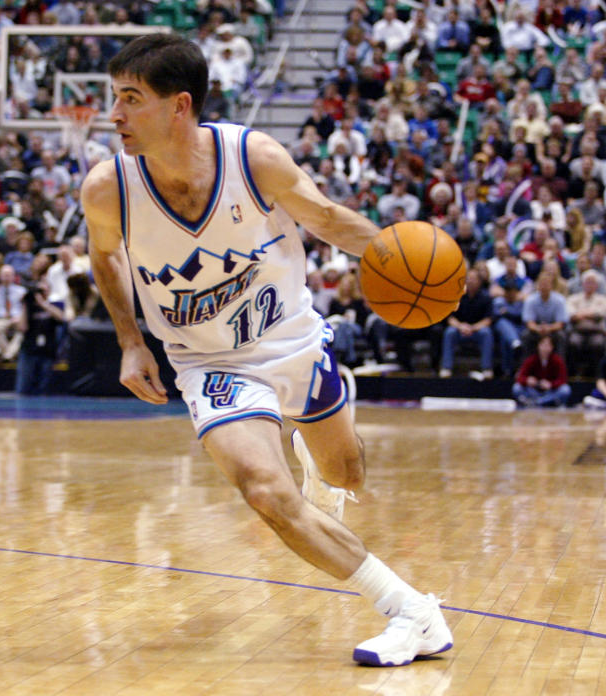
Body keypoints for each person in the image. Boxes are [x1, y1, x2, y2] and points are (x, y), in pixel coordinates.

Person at [83, 34, 452, 667]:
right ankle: (411, 611)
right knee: (265, 491)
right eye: (113, 97)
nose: (113, 115)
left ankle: (314, 435)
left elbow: (328, 218)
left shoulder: (252, 156)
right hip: (209, 363)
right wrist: (129, 341)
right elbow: (104, 253)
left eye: (129, 99)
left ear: (179, 106)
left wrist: (401, 256)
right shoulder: (107, 187)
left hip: (294, 341)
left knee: (346, 476)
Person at [512, 334, 572, 407]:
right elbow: (520, 377)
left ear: (552, 347)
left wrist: (551, 384)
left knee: (565, 390)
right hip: (534, 391)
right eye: (543, 345)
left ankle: (539, 402)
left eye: (548, 345)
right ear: (538, 346)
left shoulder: (558, 360)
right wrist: (527, 380)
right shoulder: (531, 359)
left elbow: (563, 379)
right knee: (517, 387)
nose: (545, 348)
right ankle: (541, 402)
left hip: (550, 391)